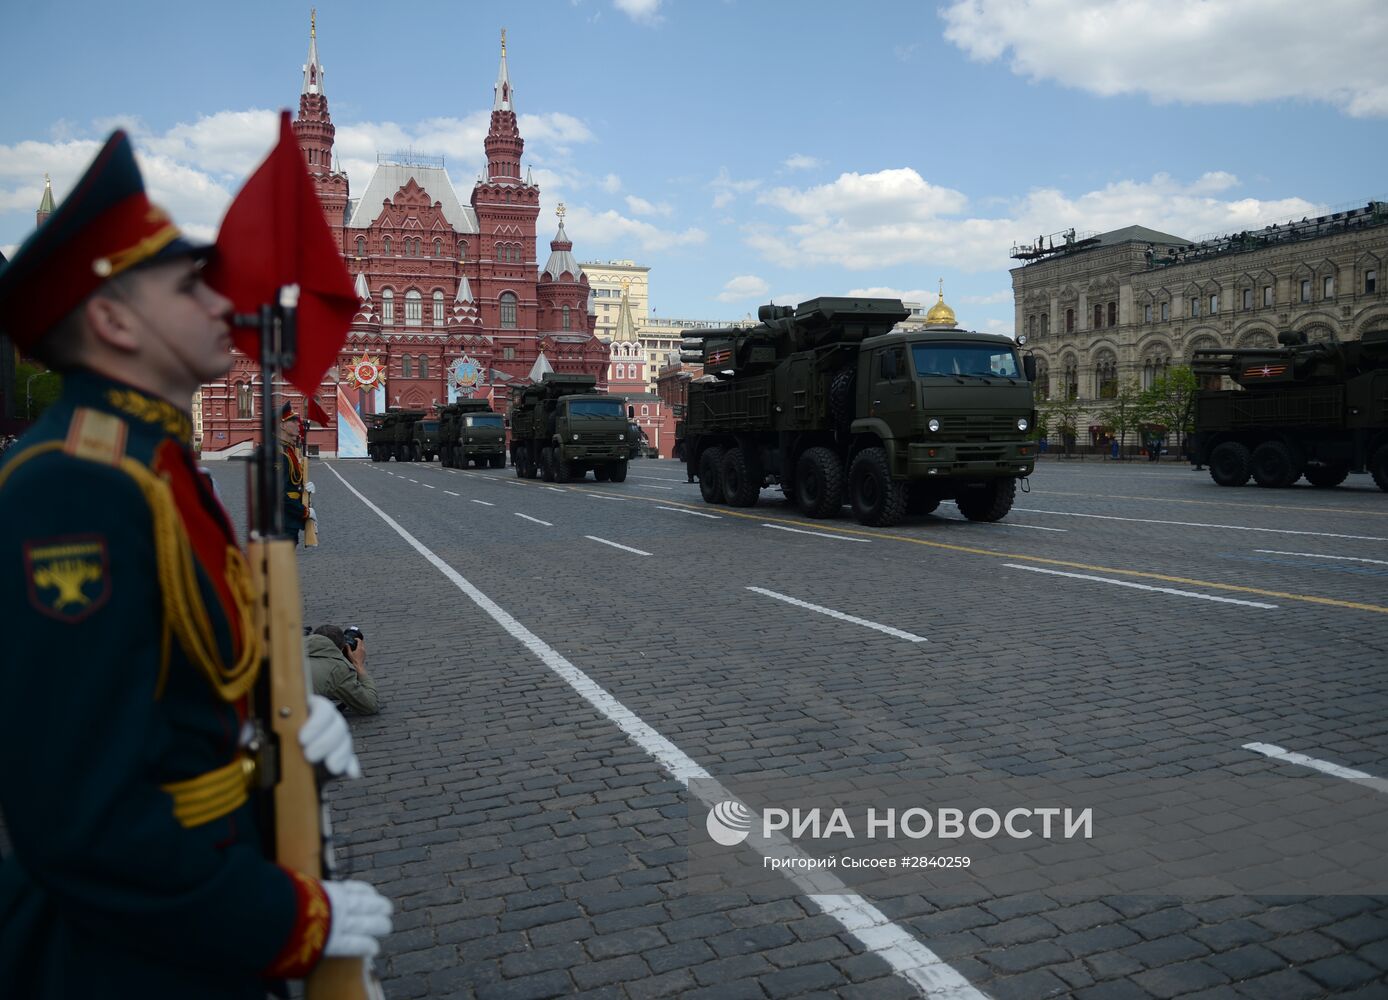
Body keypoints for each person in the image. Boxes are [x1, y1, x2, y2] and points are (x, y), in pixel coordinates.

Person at [0, 131, 390, 998]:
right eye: (187, 286)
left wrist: (268, 731)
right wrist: (284, 921)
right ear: (113, 322)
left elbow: (172, 689)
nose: (222, 299)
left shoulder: (153, 464)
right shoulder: (73, 488)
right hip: (126, 961)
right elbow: (84, 820)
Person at [307, 624, 380, 716]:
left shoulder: (293, 648)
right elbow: (370, 705)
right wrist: (358, 665)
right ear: (342, 648)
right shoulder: (337, 669)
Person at [279, 401, 311, 544]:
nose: (298, 424)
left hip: (289, 519)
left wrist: (304, 487)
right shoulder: (278, 453)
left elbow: (292, 481)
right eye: (293, 421)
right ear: (282, 425)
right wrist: (304, 511)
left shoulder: (288, 450)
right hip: (281, 521)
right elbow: (278, 494)